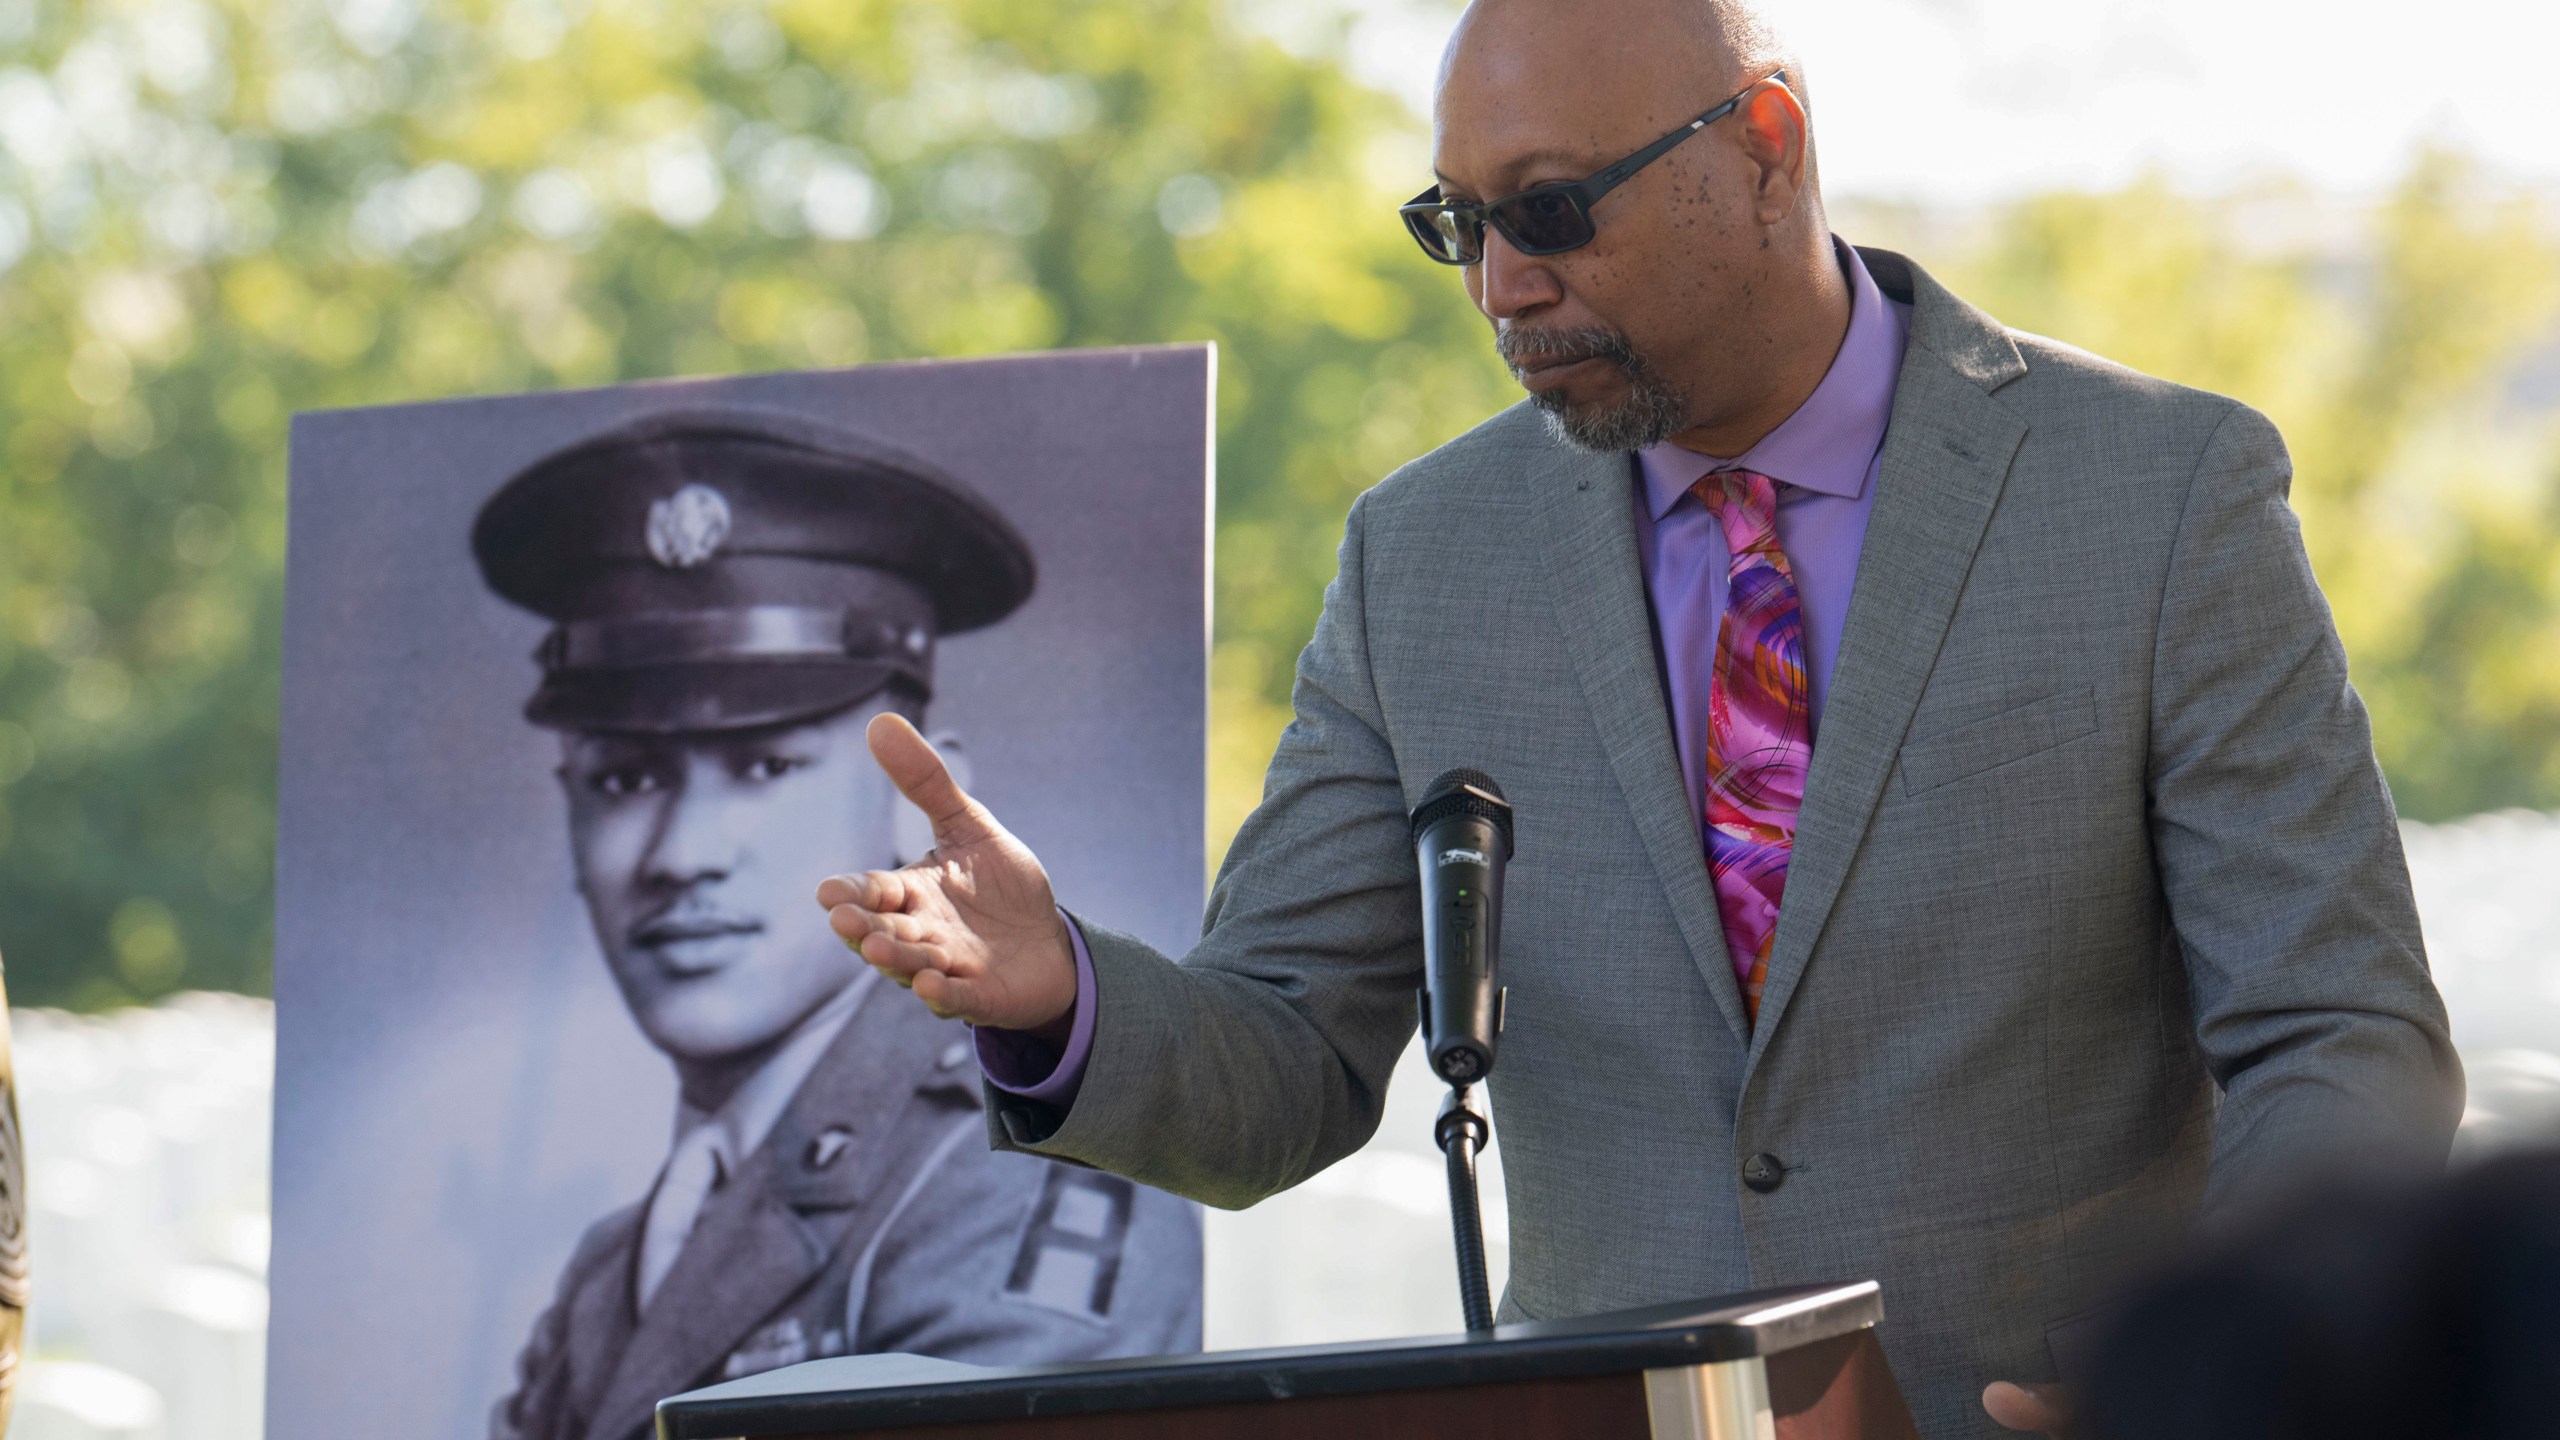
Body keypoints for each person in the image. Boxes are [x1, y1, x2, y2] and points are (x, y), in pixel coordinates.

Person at [817, 1, 2462, 1434]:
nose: (1501, 287)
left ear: (1764, 145)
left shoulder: (2162, 495)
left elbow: (2336, 1035)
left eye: (1548, 209)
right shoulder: (1422, 557)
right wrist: (1060, 995)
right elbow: (1287, 1067)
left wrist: (2227, 1374)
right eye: (1456, 224)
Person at [471, 407, 1201, 1440]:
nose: (681, 852)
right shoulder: (613, 1270)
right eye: (625, 777)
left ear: (916, 800)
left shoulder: (1024, 1171)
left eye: (766, 767)